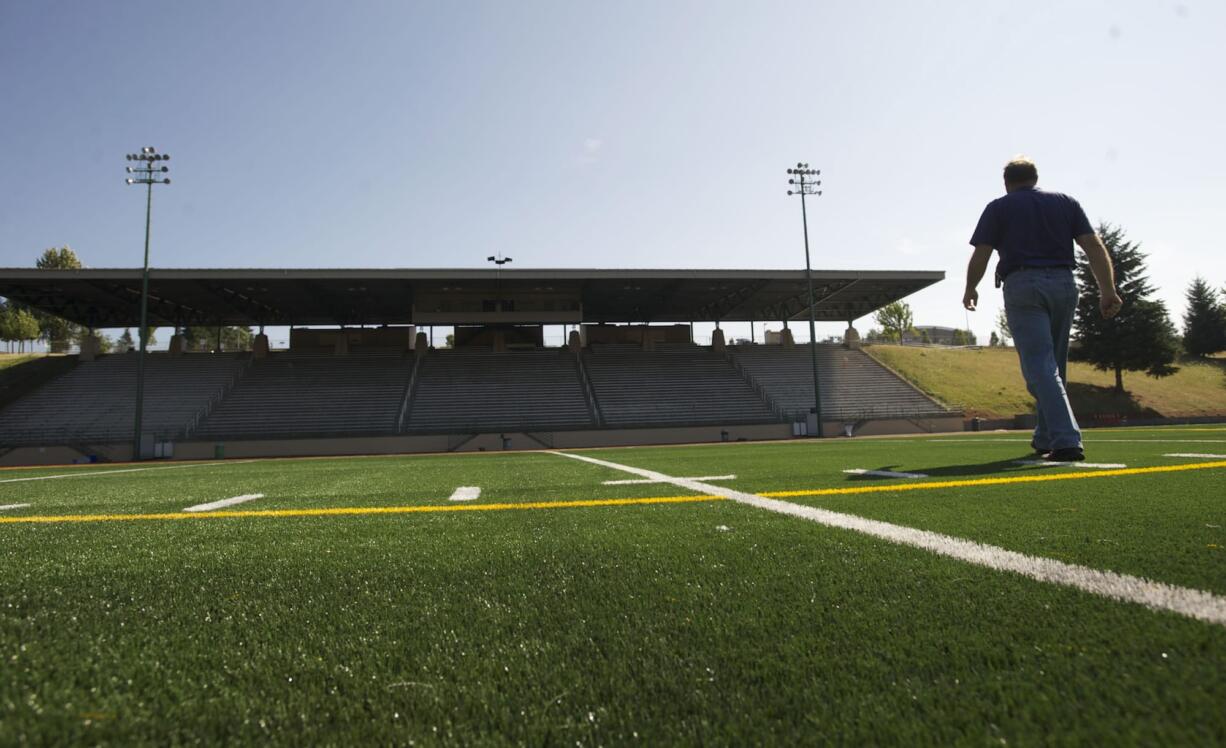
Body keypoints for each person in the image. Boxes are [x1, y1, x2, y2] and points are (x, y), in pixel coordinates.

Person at [963, 156, 1123, 462]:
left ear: (1007, 183)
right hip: (1065, 283)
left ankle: (1066, 441)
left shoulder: (999, 207)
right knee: (1054, 366)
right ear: (1035, 178)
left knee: (1038, 366)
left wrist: (971, 288)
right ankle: (1046, 435)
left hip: (1023, 284)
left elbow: (981, 253)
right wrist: (1107, 290)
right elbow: (1093, 246)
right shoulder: (1066, 202)